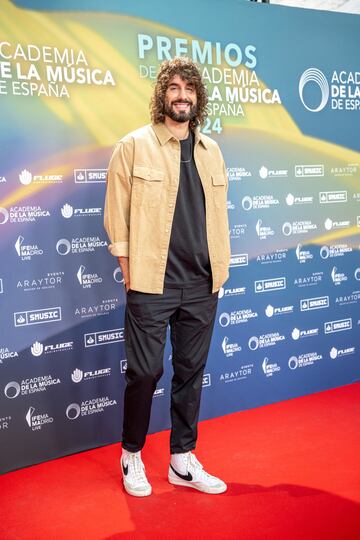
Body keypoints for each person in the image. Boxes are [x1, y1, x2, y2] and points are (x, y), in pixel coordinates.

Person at [104, 57, 230, 497]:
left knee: (191, 372)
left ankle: (182, 459)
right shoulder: (134, 145)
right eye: (174, 88)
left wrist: (219, 270)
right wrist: (127, 265)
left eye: (189, 89)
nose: (182, 95)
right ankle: (131, 454)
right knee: (144, 372)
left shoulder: (211, 150)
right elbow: (116, 212)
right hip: (151, 280)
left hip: (201, 283)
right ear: (163, 95)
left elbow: (216, 216)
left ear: (198, 98)